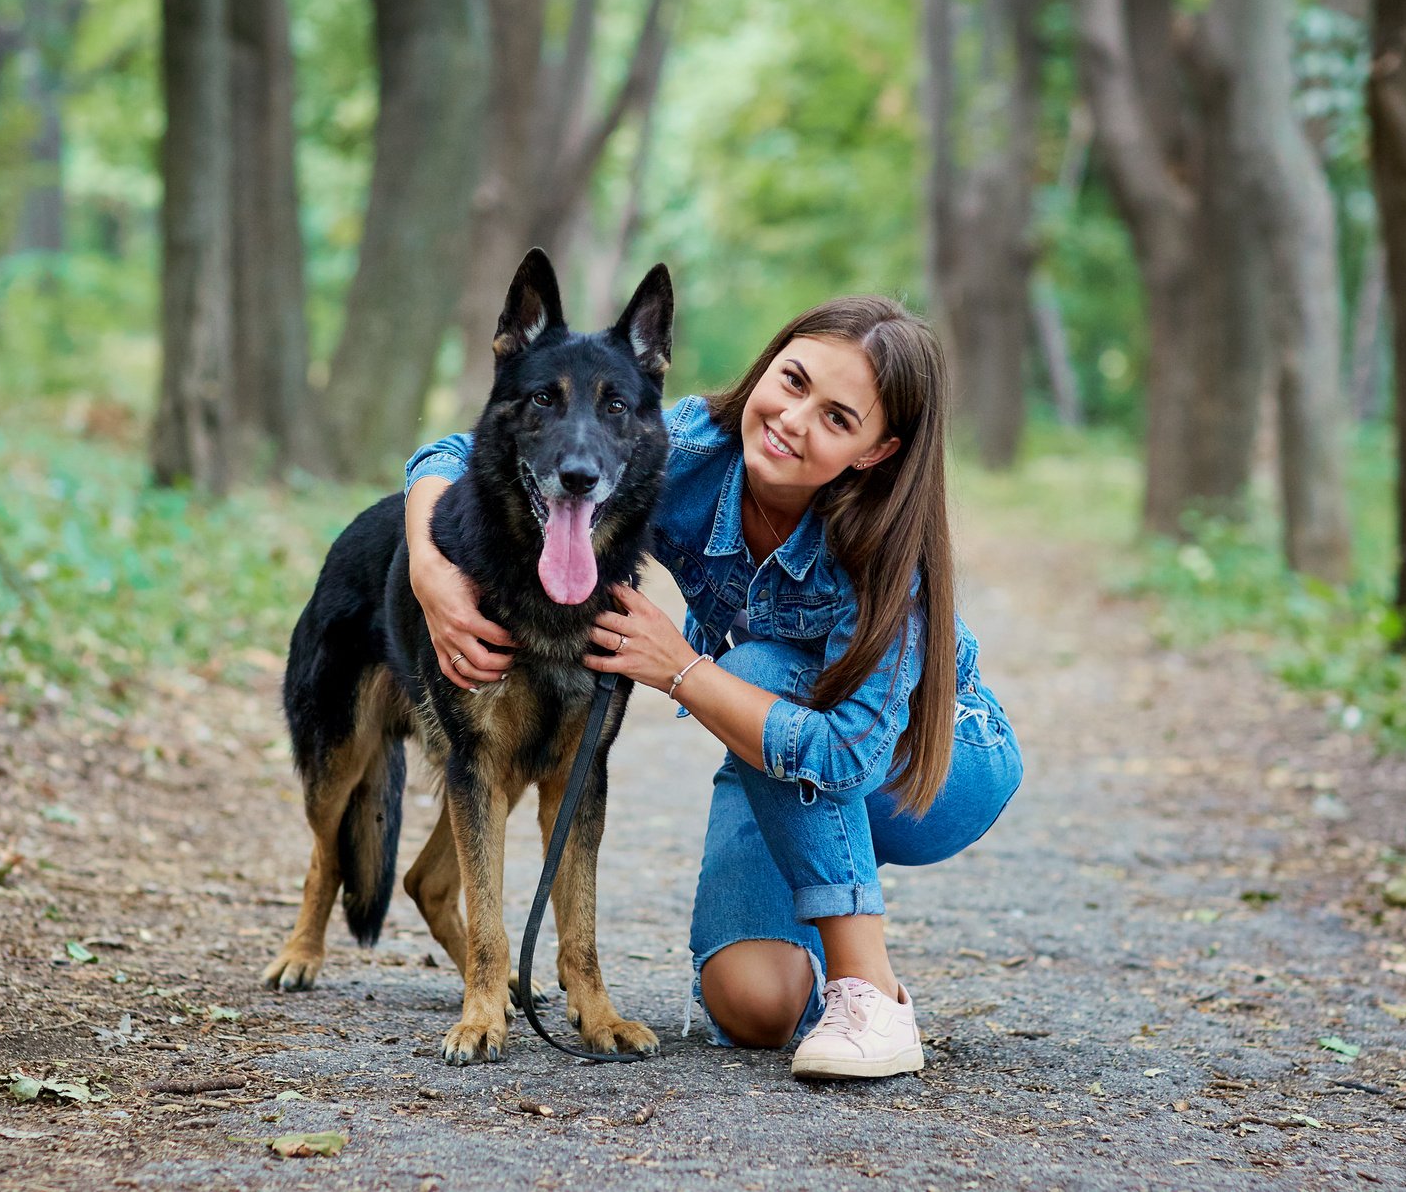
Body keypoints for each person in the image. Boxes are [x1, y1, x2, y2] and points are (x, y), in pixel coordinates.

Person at [401, 296, 1023, 1079]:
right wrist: (429, 570)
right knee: (752, 1009)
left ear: (875, 450)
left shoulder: (890, 553)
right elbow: (456, 451)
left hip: (927, 768)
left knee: (755, 668)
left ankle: (870, 995)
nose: (794, 420)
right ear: (766, 366)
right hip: (769, 752)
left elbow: (839, 753)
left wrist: (682, 671)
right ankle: (813, 925)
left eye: (836, 419)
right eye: (791, 381)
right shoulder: (686, 446)